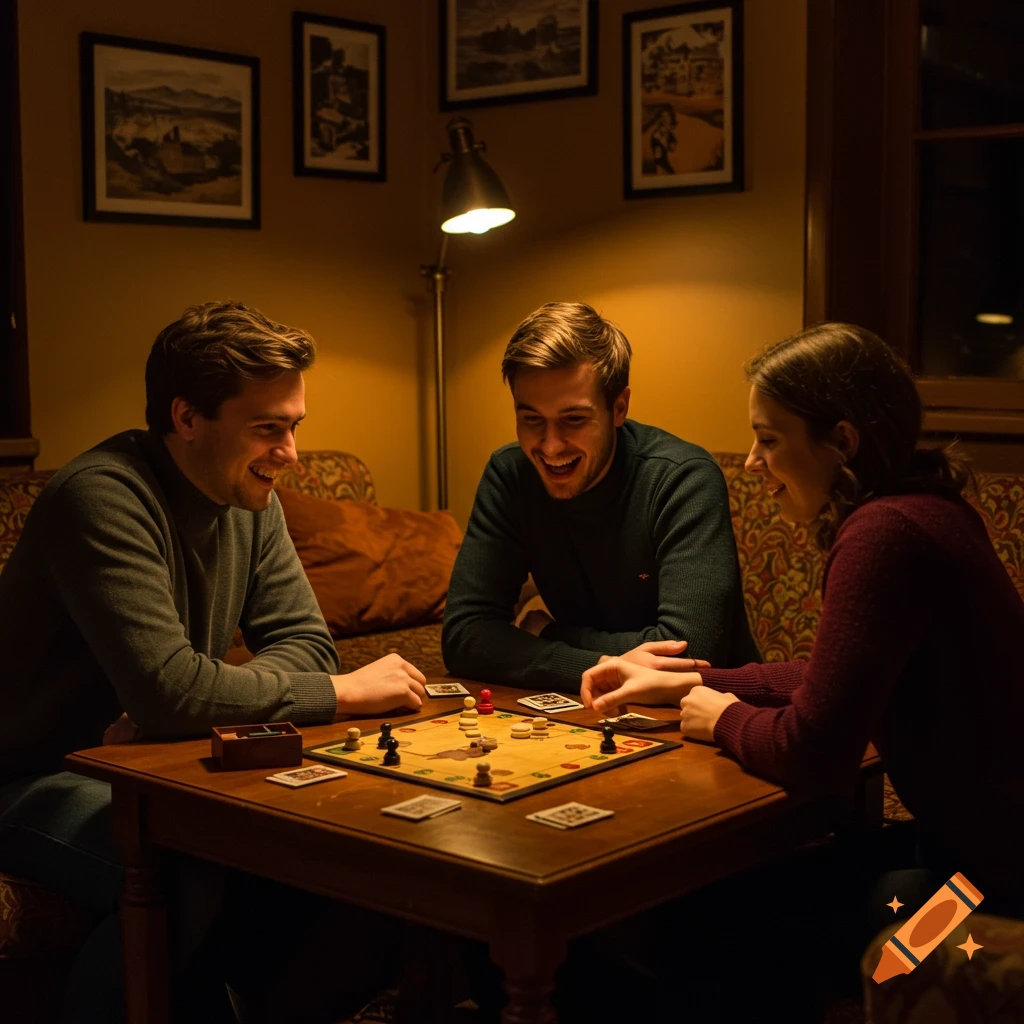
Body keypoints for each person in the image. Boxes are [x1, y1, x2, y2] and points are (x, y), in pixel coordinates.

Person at [581, 321, 1024, 1018]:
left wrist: (723, 718)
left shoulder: (882, 535)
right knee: (744, 901)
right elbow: (835, 673)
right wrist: (695, 681)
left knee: (705, 928)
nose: (753, 464)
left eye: (769, 439)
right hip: (979, 858)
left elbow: (815, 753)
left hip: (992, 890)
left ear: (842, 441)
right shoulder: (930, 509)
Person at [0, 301, 426, 1022]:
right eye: (267, 428)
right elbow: (173, 690)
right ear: (187, 418)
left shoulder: (253, 500)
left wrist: (185, 708)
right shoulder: (100, 498)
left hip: (151, 763)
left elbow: (304, 644)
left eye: (294, 426)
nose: (289, 453)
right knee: (181, 861)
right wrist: (337, 693)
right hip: (30, 775)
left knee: (333, 842)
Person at [442, 301, 759, 692]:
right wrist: (600, 665)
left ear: (618, 408)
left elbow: (690, 655)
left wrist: (549, 633)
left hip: (708, 707)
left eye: (574, 419)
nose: (551, 446)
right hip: (587, 706)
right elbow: (464, 634)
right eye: (531, 419)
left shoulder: (682, 479)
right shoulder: (510, 475)